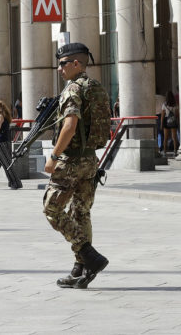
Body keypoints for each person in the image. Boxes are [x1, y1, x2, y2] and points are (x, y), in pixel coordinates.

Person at [43, 42, 110, 289]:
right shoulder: (94, 87)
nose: (59, 68)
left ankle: (88, 254)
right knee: (80, 213)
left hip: (70, 161)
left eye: (62, 64)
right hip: (90, 160)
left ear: (76, 64)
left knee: (52, 209)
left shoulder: (72, 89)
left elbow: (70, 126)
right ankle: (80, 269)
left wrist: (54, 155)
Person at [161, 91, 180, 156]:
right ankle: (175, 151)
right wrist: (177, 121)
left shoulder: (164, 104)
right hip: (173, 120)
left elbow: (163, 116)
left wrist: (161, 124)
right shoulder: (175, 104)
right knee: (174, 137)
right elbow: (177, 114)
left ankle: (165, 151)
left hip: (166, 120)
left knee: (165, 138)